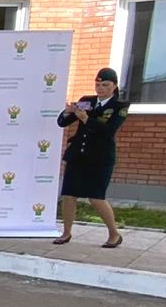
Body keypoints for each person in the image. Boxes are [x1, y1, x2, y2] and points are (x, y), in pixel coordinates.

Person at [55, 67, 129, 248]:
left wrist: (87, 120)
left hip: (100, 158)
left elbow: (109, 131)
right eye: (97, 84)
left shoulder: (119, 107)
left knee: (95, 197)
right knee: (69, 195)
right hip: (78, 154)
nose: (100, 88)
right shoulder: (87, 101)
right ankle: (66, 232)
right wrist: (67, 112)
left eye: (105, 85)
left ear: (114, 86)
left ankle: (114, 233)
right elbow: (62, 122)